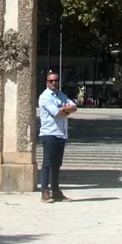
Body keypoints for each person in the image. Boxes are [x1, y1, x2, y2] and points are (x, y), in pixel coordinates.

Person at [37, 71, 77, 202]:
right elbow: (56, 113)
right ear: (46, 82)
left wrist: (64, 110)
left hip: (61, 133)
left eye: (56, 80)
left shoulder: (61, 95)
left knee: (56, 165)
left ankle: (56, 191)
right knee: (47, 164)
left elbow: (74, 106)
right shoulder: (45, 97)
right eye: (51, 81)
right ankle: (44, 192)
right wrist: (65, 110)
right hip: (49, 133)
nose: (54, 83)